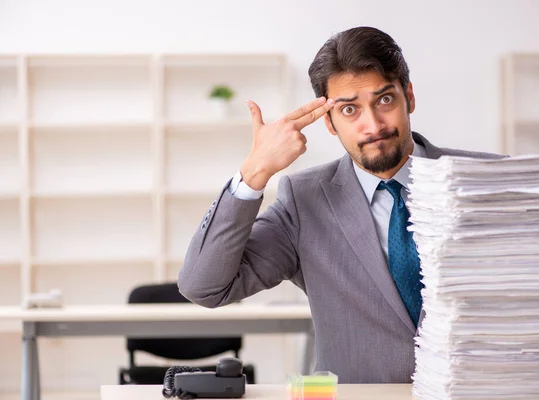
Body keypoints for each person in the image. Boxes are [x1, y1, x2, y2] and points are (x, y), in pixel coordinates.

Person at [178, 26, 502, 383]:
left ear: (408, 96)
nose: (373, 125)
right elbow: (204, 287)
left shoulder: (489, 178)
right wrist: (255, 172)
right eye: (350, 109)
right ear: (329, 122)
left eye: (384, 100)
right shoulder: (304, 201)